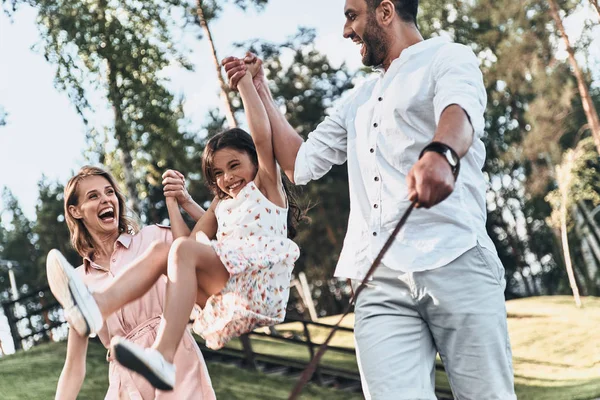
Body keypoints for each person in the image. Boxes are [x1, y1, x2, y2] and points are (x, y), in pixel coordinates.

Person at [222, 1, 517, 399]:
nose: (346, 31)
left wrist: (441, 154)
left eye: (350, 16)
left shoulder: (447, 57)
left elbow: (459, 113)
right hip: (378, 281)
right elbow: (299, 164)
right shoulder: (358, 99)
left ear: (385, 11)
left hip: (457, 258)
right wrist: (261, 91)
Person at [47, 61, 302, 392]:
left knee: (169, 249)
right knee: (162, 252)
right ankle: (99, 308)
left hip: (258, 283)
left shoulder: (266, 186)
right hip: (227, 294)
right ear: (75, 211)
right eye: (218, 174)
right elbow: (194, 240)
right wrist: (179, 202)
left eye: (235, 165)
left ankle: (160, 354)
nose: (227, 178)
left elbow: (262, 136)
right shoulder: (222, 205)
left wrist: (246, 86)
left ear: (254, 160)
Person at [47, 166, 215, 400]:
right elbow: (74, 367)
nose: (106, 199)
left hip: (174, 360)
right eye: (93, 196)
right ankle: (96, 306)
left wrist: (176, 202)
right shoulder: (79, 280)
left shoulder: (152, 238)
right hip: (124, 377)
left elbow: (193, 253)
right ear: (76, 211)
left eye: (109, 192)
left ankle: (102, 304)